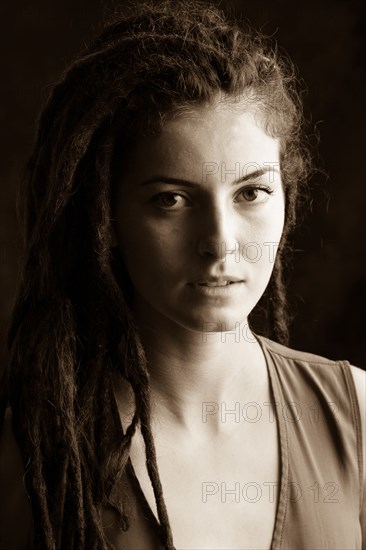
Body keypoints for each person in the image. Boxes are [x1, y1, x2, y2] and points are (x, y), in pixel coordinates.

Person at [0, 1, 364, 549]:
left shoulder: (357, 414)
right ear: (108, 218)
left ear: (287, 197)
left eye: (251, 193)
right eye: (170, 199)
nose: (220, 240)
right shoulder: (35, 453)